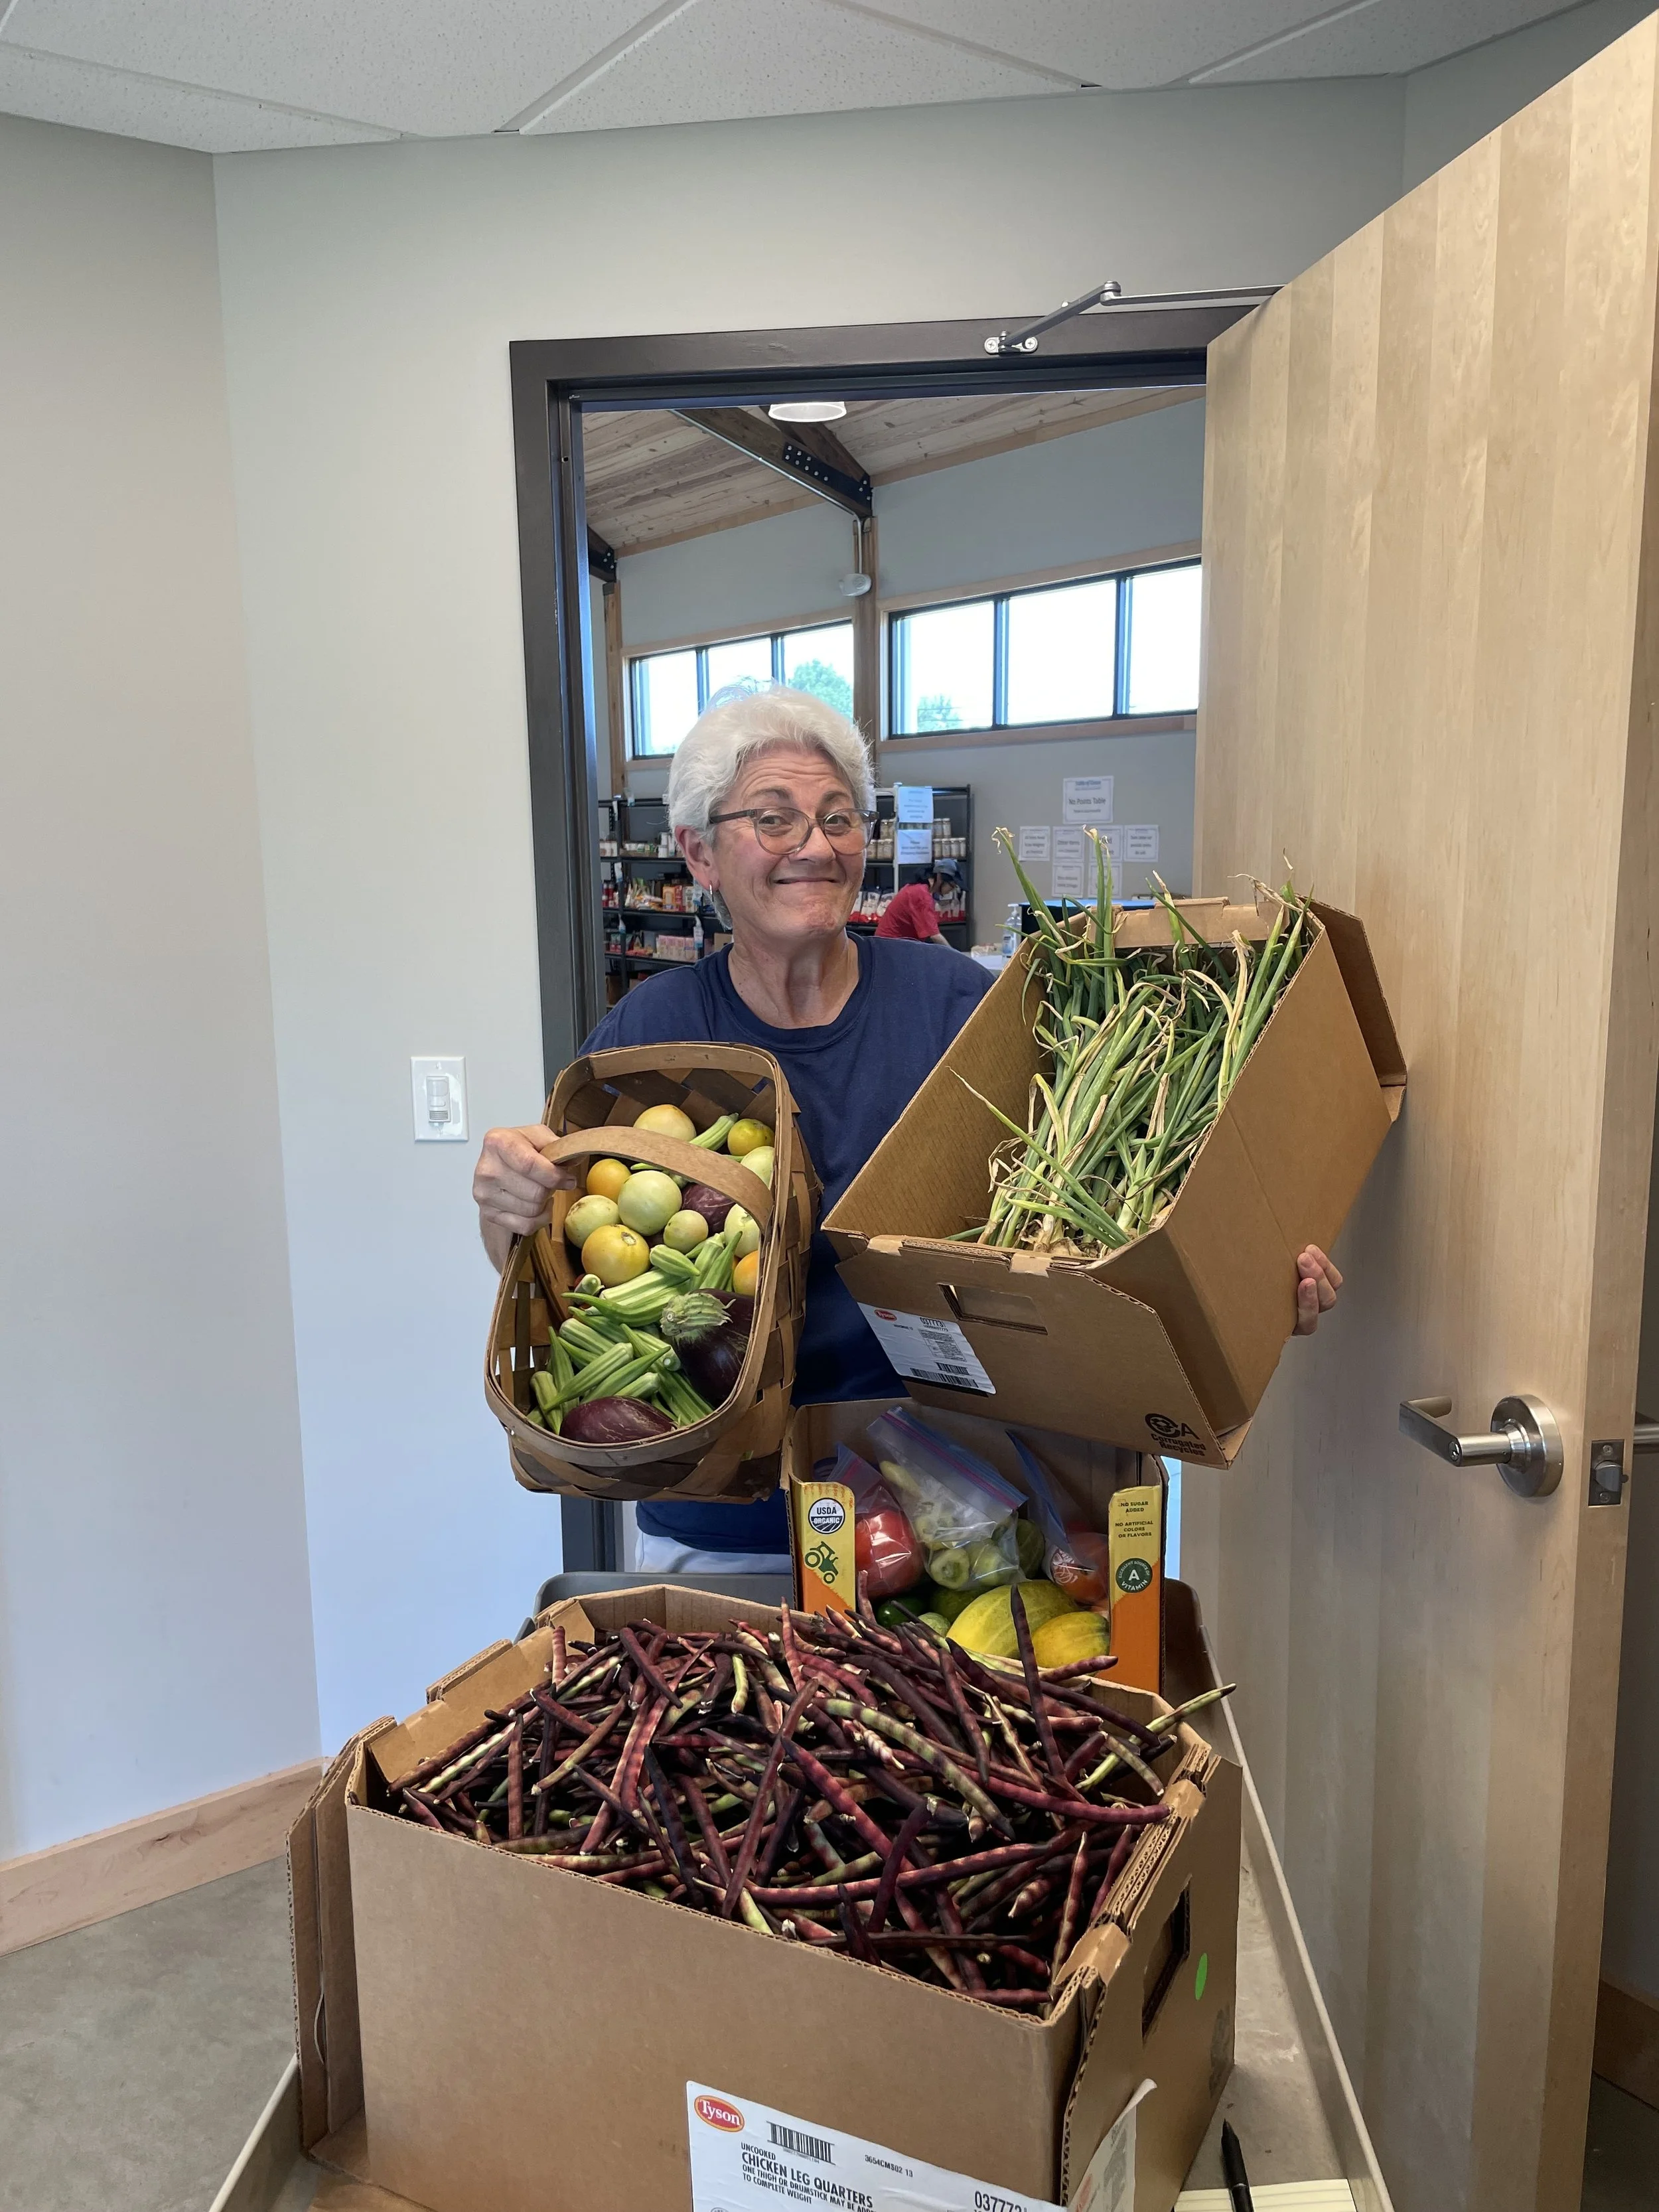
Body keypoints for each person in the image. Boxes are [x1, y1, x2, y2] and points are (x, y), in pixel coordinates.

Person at [474, 684, 1342, 1572]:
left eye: (839, 817)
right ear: (698, 853)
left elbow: (1100, 1219)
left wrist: (1238, 1292)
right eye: (775, 820)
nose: (816, 847)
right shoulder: (648, 1039)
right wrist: (506, 1206)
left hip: (970, 1497)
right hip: (734, 1520)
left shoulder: (960, 1007)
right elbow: (558, 1270)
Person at [875, 857, 960, 944]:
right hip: (890, 945)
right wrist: (955, 955)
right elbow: (935, 936)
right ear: (940, 878)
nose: (951, 890)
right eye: (952, 886)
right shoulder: (922, 895)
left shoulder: (919, 887)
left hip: (891, 942)